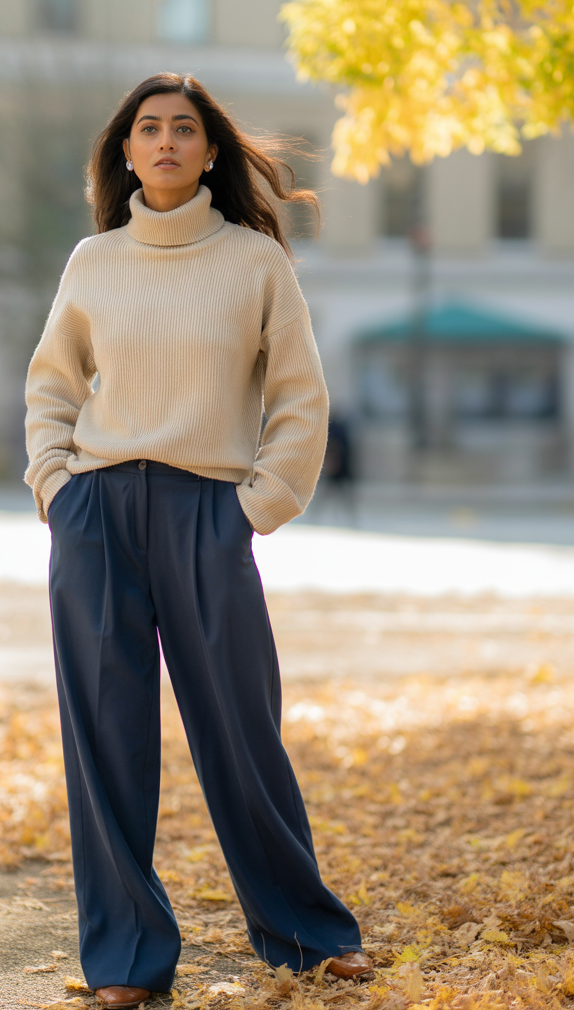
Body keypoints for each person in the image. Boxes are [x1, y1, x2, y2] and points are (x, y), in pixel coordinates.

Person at [24, 72, 374, 1008]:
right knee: (105, 740)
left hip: (207, 515)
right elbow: (52, 388)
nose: (168, 141)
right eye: (150, 129)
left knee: (242, 730)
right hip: (97, 515)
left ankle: (307, 934)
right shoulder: (93, 261)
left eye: (186, 128)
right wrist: (58, 488)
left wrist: (254, 510)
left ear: (211, 150)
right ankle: (127, 961)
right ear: (127, 151)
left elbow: (301, 398)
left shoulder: (256, 265)